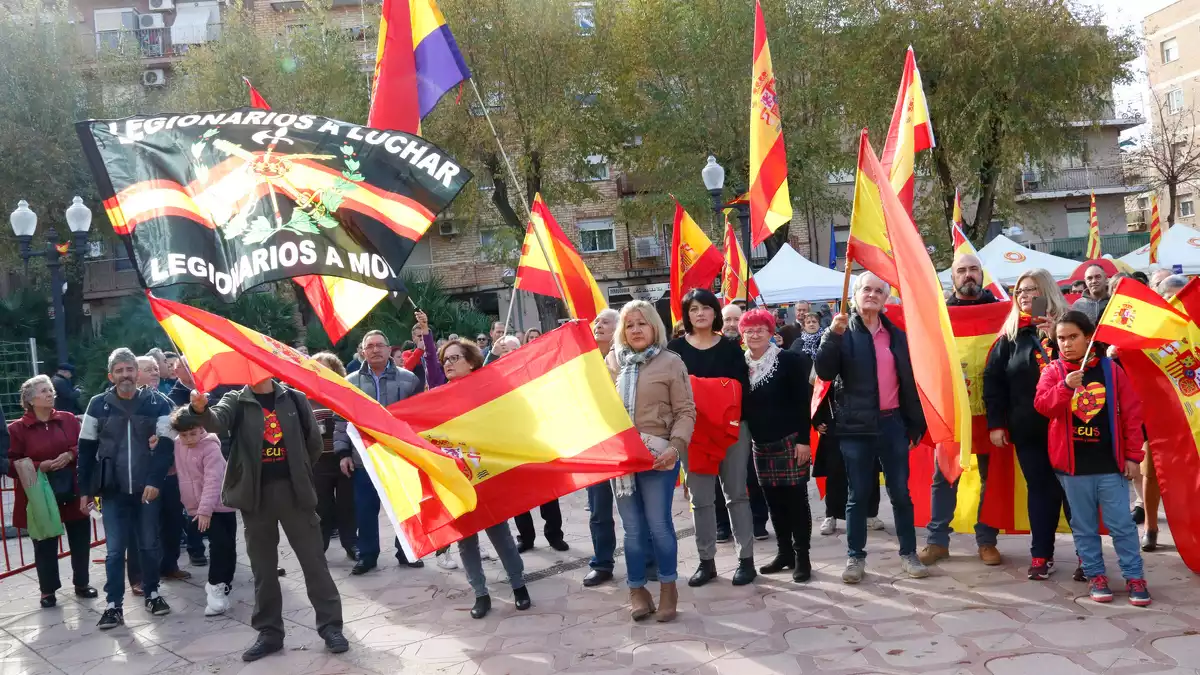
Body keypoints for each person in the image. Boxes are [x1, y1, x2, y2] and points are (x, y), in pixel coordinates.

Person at [189, 377, 348, 660]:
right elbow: (216, 422)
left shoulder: (295, 399)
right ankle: (269, 632)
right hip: (256, 497)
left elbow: (313, 442)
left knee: (314, 563)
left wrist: (298, 472)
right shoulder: (236, 400)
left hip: (294, 494)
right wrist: (200, 409)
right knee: (263, 569)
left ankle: (331, 627)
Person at [815, 273, 928, 584]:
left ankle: (909, 553)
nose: (873, 295)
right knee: (858, 495)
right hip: (855, 427)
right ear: (855, 294)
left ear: (886, 299)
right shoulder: (841, 331)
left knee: (901, 494)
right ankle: (855, 557)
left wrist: (915, 423)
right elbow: (823, 371)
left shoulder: (897, 336)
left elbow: (911, 383)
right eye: (867, 289)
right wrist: (832, 336)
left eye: (880, 291)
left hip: (893, 424)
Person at [1034, 311, 1151, 606]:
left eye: (1073, 337)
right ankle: (1095, 574)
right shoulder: (1053, 371)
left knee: (1121, 524)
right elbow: (1042, 406)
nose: (1067, 344)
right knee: (1084, 526)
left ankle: (1134, 576)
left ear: (1089, 338)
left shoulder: (1111, 370)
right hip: (1072, 469)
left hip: (1109, 464)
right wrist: (1065, 387)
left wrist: (1134, 455)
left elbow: (1133, 413)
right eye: (1061, 338)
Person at [983, 269, 1075, 581]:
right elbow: (993, 382)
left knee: (1074, 492)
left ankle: (1087, 556)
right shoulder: (1010, 336)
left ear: (1046, 291)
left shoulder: (1070, 327)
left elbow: (1089, 368)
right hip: (1028, 428)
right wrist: (996, 424)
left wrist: (1055, 339)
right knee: (1041, 490)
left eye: (1032, 289)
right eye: (1019, 290)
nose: (1024, 296)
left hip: (1071, 428)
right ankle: (1041, 555)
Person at [606, 300, 695, 622]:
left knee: (659, 526)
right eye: (629, 325)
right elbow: (601, 411)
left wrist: (675, 446)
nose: (636, 330)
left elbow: (686, 411)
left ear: (654, 327)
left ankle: (668, 589)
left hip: (659, 457)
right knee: (632, 530)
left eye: (642, 323)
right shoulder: (612, 362)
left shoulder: (671, 362)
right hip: (624, 461)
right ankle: (637, 589)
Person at [77, 348, 175, 629]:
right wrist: (85, 490)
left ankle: (153, 593)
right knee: (115, 551)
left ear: (137, 372)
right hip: (111, 490)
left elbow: (167, 445)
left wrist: (156, 481)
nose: (125, 375)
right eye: (119, 370)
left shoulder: (157, 403)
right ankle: (113, 605)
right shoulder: (97, 405)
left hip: (147, 489)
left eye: (129, 369)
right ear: (111, 375)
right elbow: (85, 450)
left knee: (148, 544)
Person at [667, 289, 756, 587]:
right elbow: (673, 390)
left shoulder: (731, 347)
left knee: (736, 494)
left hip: (731, 429)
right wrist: (711, 391)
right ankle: (707, 562)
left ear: (715, 312)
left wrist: (699, 389)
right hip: (692, 432)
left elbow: (740, 388)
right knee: (701, 499)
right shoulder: (675, 348)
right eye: (693, 309)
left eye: (706, 307)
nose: (700, 313)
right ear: (686, 314)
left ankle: (746, 560)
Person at [438, 338, 532, 619]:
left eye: (454, 358)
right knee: (466, 539)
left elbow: (512, 418)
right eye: (445, 360)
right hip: (457, 477)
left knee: (499, 533)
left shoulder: (488, 391)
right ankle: (480, 593)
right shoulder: (438, 396)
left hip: (486, 474)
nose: (448, 364)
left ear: (471, 362)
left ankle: (519, 586)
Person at [920, 253, 1002, 568]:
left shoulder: (1001, 309)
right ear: (952, 277)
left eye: (973, 269)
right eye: (962, 270)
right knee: (944, 476)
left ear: (982, 274)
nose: (968, 275)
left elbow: (1035, 317)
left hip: (991, 412)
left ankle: (987, 541)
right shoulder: (939, 314)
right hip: (951, 412)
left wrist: (1038, 308)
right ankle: (937, 541)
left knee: (989, 478)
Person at [334, 329, 425, 575]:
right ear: (363, 351)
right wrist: (342, 452)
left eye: (380, 345)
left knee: (404, 508)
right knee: (365, 509)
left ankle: (407, 551)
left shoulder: (409, 380)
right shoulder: (350, 382)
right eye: (370, 346)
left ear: (388, 349)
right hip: (363, 459)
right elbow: (341, 420)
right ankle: (368, 555)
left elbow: (419, 418)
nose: (375, 349)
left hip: (399, 457)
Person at [738, 309, 814, 582]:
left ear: (772, 333)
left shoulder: (790, 361)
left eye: (761, 328)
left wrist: (804, 440)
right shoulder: (739, 364)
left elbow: (803, 403)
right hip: (760, 444)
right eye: (749, 329)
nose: (754, 334)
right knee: (773, 502)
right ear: (742, 335)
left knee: (796, 501)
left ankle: (802, 557)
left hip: (791, 442)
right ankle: (784, 554)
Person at [7, 376, 96, 608]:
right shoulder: (16, 429)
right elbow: (10, 462)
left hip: (73, 488)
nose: (50, 394)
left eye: (51, 390)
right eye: (44, 391)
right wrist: (40, 467)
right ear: (30, 400)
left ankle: (82, 583)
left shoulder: (67, 419)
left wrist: (69, 455)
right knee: (44, 543)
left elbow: (84, 446)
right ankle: (47, 591)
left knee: (80, 538)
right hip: (39, 494)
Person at [585, 308, 657, 587]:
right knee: (599, 509)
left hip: (630, 442)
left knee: (639, 508)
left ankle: (649, 563)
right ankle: (602, 563)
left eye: (605, 322)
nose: (598, 325)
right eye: (596, 321)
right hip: (597, 444)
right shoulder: (582, 359)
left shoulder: (630, 359)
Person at [169, 408, 236, 616]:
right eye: (183, 435)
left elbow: (213, 480)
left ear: (201, 429)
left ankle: (222, 586)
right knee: (219, 545)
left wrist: (205, 510)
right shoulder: (178, 445)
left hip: (218, 504)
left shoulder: (210, 447)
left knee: (228, 546)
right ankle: (215, 585)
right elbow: (175, 468)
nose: (189, 439)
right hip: (198, 508)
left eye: (193, 433)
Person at [1140, 274, 1188, 552]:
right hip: (1155, 409)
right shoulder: (1147, 328)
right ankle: (1150, 526)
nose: (1175, 302)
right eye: (1170, 296)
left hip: (1189, 411)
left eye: (1180, 296)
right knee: (1152, 471)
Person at [135, 356, 192, 584]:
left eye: (156, 369)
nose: (155, 373)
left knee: (173, 522)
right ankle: (142, 576)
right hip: (144, 475)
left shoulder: (165, 400)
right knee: (147, 528)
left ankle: (170, 565)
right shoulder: (128, 402)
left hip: (170, 472)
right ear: (135, 374)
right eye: (148, 369)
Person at [812, 392, 883, 537]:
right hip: (835, 420)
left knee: (869, 468)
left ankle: (870, 513)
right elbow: (816, 388)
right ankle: (831, 515)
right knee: (834, 471)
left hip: (866, 418)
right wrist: (817, 419)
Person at [310, 352, 357, 562]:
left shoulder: (344, 393)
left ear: (335, 370)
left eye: (325, 367)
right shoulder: (303, 396)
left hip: (344, 459)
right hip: (318, 462)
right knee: (322, 507)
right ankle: (319, 547)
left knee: (347, 506)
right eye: (315, 368)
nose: (320, 371)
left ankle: (351, 545)